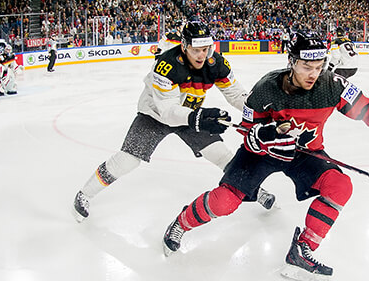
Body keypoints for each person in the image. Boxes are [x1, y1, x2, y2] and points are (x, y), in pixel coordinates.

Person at [162, 30, 369, 281]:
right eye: (307, 66)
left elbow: (368, 107)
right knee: (224, 202)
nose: (313, 74)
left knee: (340, 185)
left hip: (304, 152)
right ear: (291, 61)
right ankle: (181, 223)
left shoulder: (332, 84)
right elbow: (248, 131)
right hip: (261, 153)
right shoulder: (265, 88)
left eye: (319, 66)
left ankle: (301, 251)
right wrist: (262, 136)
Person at [72, 20, 276, 222]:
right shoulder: (166, 65)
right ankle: (85, 193)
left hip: (191, 115)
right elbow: (167, 111)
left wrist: (261, 111)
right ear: (184, 45)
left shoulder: (216, 63)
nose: (202, 55)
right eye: (196, 50)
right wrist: (198, 118)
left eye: (206, 49)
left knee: (221, 155)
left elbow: (235, 93)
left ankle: (254, 190)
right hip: (154, 115)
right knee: (128, 159)